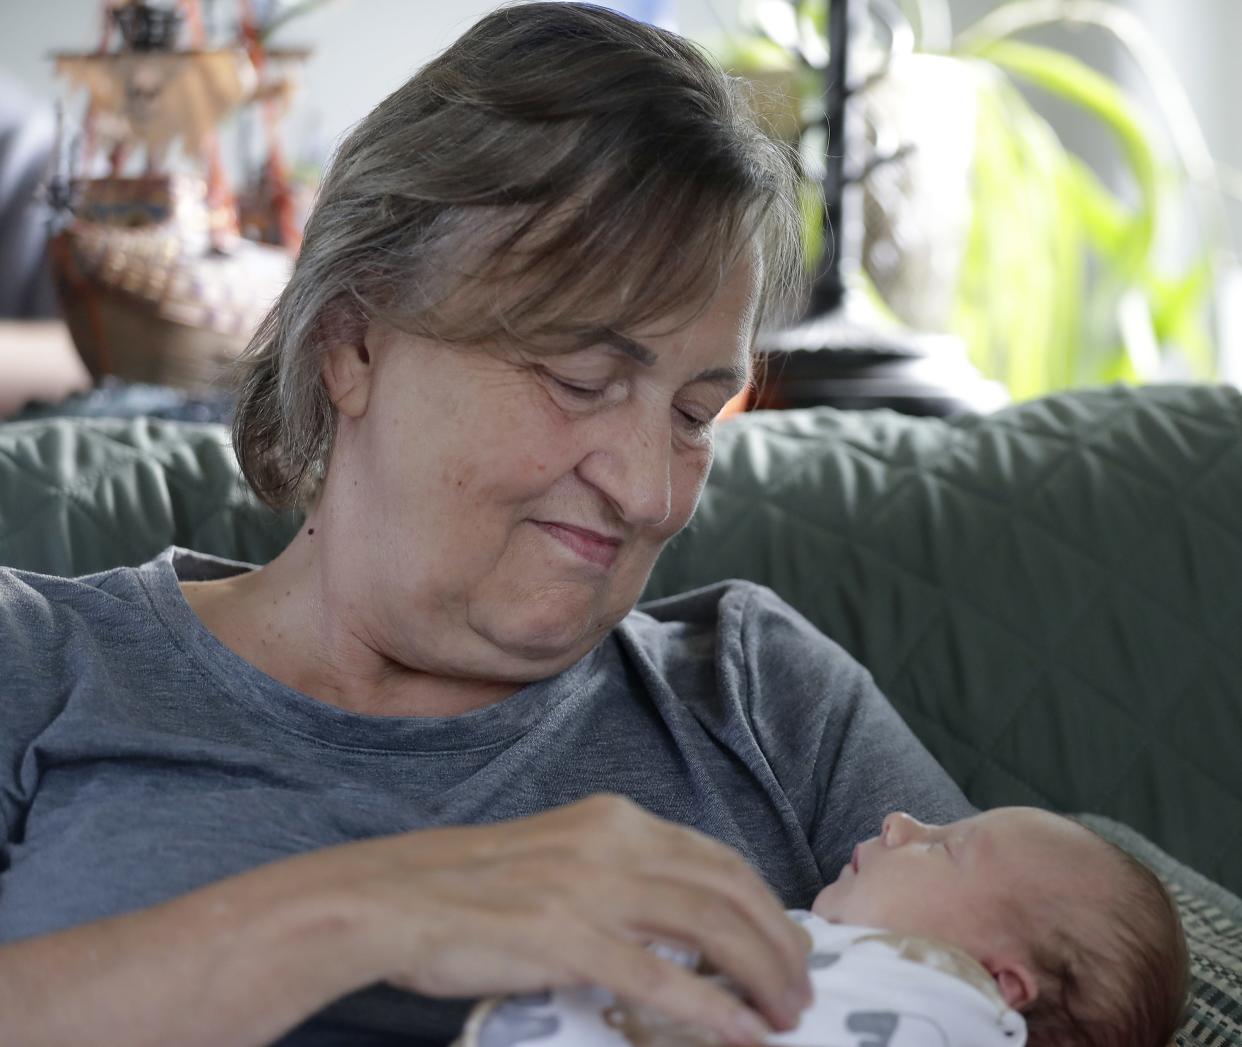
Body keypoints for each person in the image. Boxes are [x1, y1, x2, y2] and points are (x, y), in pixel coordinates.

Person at [0, 5, 976, 1046]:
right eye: (580, 378)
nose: (650, 493)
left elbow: (1058, 976)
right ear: (351, 347)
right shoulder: (40, 664)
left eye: (695, 414)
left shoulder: (764, 700)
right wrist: (359, 916)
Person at [463, 808, 1189, 1047]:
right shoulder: (840, 950)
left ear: (1003, 982)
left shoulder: (949, 1011)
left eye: (946, 846)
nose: (901, 820)